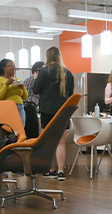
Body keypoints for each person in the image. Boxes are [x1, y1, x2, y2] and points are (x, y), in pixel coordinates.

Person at [33, 46, 74, 181]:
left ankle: (51, 169)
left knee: (49, 142)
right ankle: (61, 172)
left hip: (47, 111)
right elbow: (71, 94)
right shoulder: (67, 73)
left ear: (48, 56)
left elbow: (35, 90)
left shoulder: (44, 72)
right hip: (63, 111)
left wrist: (36, 78)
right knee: (61, 142)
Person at [0, 59, 28, 126]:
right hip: (8, 107)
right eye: (10, 65)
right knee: (10, 129)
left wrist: (23, 87)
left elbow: (25, 97)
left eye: (14, 65)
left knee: (21, 128)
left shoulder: (17, 80)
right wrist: (6, 85)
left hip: (20, 107)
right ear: (4, 68)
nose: (13, 67)